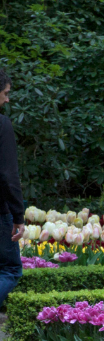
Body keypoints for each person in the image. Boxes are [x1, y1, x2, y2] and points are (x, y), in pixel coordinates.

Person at [0, 69, 23, 311]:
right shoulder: (2, 124)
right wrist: (18, 215)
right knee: (10, 269)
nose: (7, 99)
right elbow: (7, 174)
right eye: (5, 93)